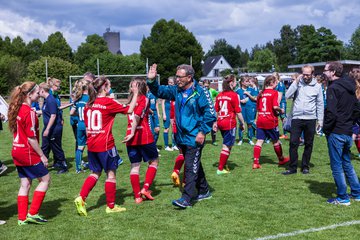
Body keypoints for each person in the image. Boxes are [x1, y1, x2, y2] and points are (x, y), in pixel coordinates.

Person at [147, 64, 216, 209]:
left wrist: (202, 132)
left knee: (190, 166)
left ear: (189, 77)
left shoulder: (200, 92)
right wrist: (152, 81)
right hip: (181, 137)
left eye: (180, 77)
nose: (177, 79)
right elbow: (160, 91)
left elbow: (210, 114)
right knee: (194, 163)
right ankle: (204, 190)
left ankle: (187, 198)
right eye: (176, 76)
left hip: (195, 136)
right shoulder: (176, 91)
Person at [74, 76, 138, 216]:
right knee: (111, 174)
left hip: (91, 144)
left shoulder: (88, 104)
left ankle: (81, 197)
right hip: (106, 145)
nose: (111, 87)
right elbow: (129, 110)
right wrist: (136, 94)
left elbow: (86, 127)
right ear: (104, 87)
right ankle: (111, 206)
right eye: (109, 85)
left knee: (95, 173)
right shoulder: (108, 102)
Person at [8, 82, 50, 225]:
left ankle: (22, 218)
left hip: (16, 150)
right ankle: (32, 213)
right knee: (45, 179)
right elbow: (31, 138)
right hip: (27, 152)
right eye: (37, 93)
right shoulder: (29, 112)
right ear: (29, 94)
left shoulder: (16, 108)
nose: (39, 95)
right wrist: (42, 155)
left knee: (25, 183)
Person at [323, 62, 360, 205]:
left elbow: (331, 112)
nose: (324, 73)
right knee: (347, 163)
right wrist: (350, 123)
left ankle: (343, 197)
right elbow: (357, 108)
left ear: (332, 72)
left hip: (337, 131)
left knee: (337, 166)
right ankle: (356, 193)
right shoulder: (351, 86)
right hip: (347, 130)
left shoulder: (333, 88)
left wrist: (326, 128)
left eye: (326, 70)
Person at [282, 64, 324, 175]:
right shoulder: (297, 84)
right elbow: (287, 95)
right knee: (293, 143)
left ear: (312, 74)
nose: (305, 77)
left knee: (309, 143)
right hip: (297, 118)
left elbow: (320, 104)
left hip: (311, 119)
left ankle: (305, 166)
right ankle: (292, 168)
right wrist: (295, 82)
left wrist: (320, 120)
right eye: (303, 74)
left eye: (307, 75)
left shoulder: (318, 86)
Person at [124, 78, 159, 204]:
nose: (132, 88)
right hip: (143, 135)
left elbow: (138, 111)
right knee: (154, 161)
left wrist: (148, 111)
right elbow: (137, 116)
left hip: (130, 138)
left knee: (135, 166)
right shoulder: (144, 98)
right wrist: (133, 131)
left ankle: (137, 197)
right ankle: (145, 188)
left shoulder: (129, 101)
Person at [252, 76, 289, 169]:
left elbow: (258, 109)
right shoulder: (274, 93)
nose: (277, 84)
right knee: (275, 141)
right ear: (271, 83)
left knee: (259, 141)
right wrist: (281, 111)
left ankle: (256, 162)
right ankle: (281, 159)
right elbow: (275, 107)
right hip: (270, 120)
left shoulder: (261, 93)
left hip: (260, 119)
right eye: (276, 82)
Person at [214, 75, 245, 174]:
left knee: (228, 144)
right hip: (229, 123)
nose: (236, 83)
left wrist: (215, 122)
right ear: (231, 83)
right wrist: (242, 123)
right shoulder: (234, 95)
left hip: (221, 122)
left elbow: (216, 111)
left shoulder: (219, 95)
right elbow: (238, 111)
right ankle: (220, 169)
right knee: (227, 145)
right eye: (235, 81)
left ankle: (224, 163)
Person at [39, 82, 68, 174]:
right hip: (47, 127)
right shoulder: (46, 100)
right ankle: (42, 165)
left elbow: (53, 115)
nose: (37, 93)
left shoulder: (51, 100)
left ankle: (63, 165)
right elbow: (46, 112)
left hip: (54, 128)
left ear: (42, 90)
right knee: (45, 146)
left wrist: (47, 129)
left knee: (56, 147)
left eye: (38, 91)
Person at [70, 79, 90, 173]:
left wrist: (79, 115)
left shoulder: (78, 99)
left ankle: (78, 169)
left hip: (80, 125)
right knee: (91, 145)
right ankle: (93, 165)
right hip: (87, 125)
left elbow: (71, 112)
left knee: (80, 147)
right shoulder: (90, 98)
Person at [243, 76, 259, 145]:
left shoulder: (255, 89)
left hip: (253, 107)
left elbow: (255, 99)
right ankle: (252, 135)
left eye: (249, 82)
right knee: (250, 122)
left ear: (252, 82)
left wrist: (248, 94)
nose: (248, 83)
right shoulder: (252, 88)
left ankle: (263, 134)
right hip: (250, 107)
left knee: (251, 122)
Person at [162, 77, 176, 151]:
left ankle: (174, 145)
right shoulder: (166, 90)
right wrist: (164, 113)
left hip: (173, 110)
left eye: (172, 83)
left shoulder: (175, 90)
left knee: (174, 128)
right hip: (167, 111)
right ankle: (166, 146)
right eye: (169, 82)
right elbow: (162, 102)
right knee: (166, 128)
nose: (170, 84)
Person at [203, 79, 219, 145]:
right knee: (204, 125)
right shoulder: (201, 91)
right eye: (205, 86)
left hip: (212, 110)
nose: (206, 87)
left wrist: (215, 101)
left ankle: (214, 140)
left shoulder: (212, 91)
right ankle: (203, 140)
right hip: (204, 111)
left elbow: (219, 96)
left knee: (213, 125)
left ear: (209, 85)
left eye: (207, 86)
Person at [236, 76, 250, 145]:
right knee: (241, 124)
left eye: (248, 81)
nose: (248, 83)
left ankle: (250, 139)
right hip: (241, 109)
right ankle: (240, 139)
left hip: (249, 109)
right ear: (242, 83)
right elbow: (235, 100)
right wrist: (240, 101)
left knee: (249, 124)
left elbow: (254, 98)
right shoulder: (238, 91)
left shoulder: (251, 89)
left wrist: (247, 99)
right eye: (246, 81)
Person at [273, 72, 288, 139]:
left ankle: (285, 134)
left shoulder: (280, 85)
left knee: (283, 118)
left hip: (281, 103)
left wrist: (277, 105)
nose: (273, 78)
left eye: (274, 76)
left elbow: (280, 96)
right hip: (276, 103)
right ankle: (275, 132)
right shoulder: (274, 84)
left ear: (277, 77)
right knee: (275, 118)